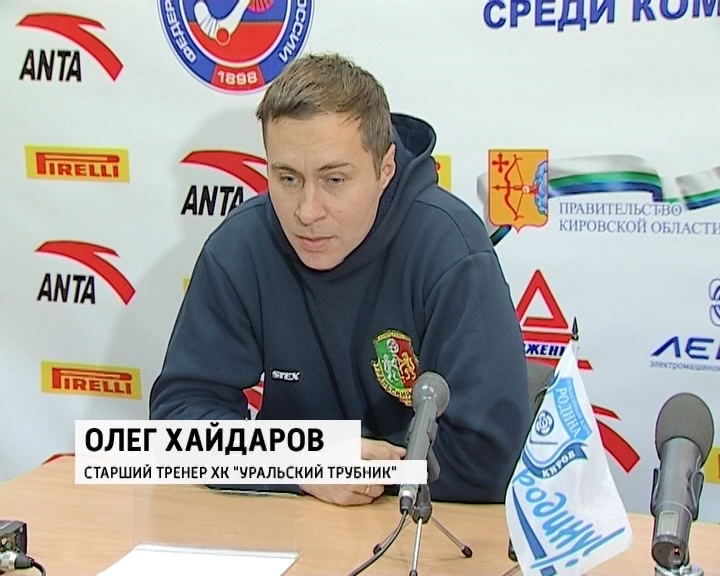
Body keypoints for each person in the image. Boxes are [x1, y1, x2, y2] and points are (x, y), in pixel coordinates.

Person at [149, 52, 530, 507]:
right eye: (288, 178)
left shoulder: (451, 248)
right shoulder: (240, 246)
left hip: (421, 527)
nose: (307, 212)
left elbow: (489, 458)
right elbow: (178, 420)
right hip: (292, 520)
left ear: (385, 169)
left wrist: (364, 471)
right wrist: (301, 463)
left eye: (334, 180)